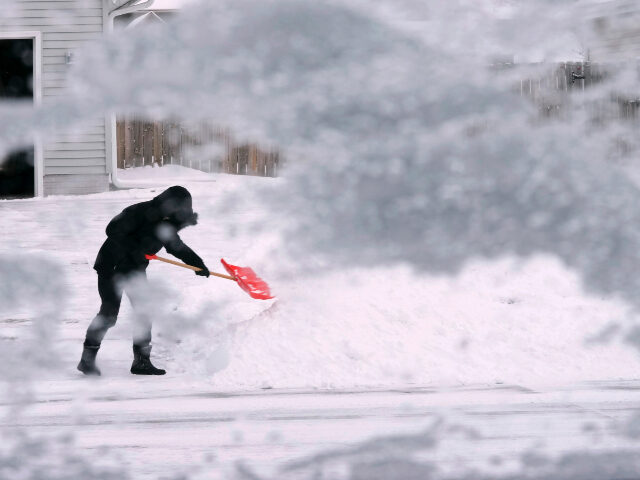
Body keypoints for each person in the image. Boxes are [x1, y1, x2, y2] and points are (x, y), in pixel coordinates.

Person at [77, 186, 210, 376]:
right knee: (108, 315)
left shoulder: (168, 223)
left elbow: (176, 247)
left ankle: (141, 362)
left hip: (134, 270)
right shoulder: (139, 212)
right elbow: (112, 229)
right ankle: (86, 360)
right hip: (112, 266)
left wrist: (198, 264)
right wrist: (135, 249)